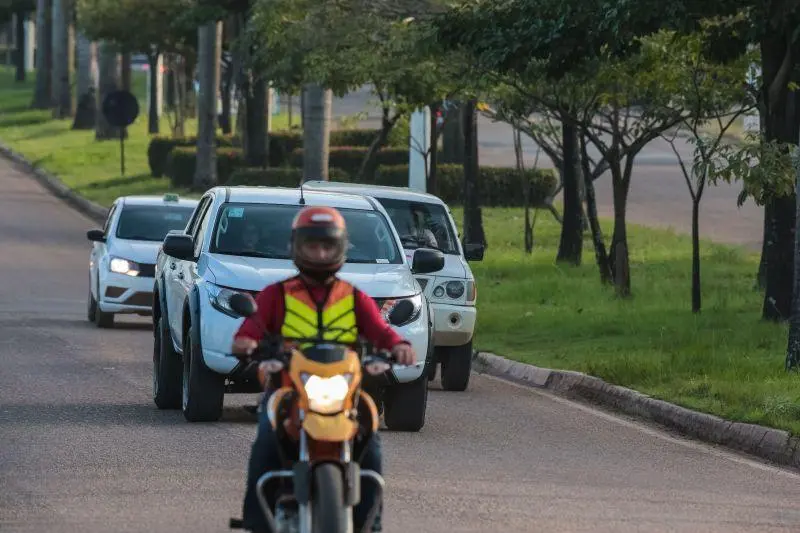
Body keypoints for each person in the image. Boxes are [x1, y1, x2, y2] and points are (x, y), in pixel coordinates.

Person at [232, 205, 417, 533]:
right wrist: (247, 344)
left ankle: (370, 524)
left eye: (327, 246)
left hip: (343, 391)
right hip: (288, 388)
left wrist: (399, 346)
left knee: (371, 445)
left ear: (340, 248)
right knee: (265, 441)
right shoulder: (277, 294)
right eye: (311, 246)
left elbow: (381, 331)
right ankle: (257, 523)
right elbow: (250, 329)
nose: (319, 254)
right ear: (296, 247)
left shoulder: (354, 297)